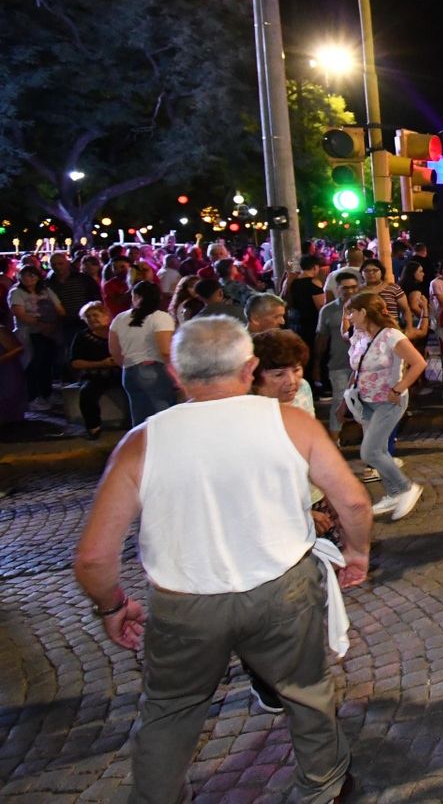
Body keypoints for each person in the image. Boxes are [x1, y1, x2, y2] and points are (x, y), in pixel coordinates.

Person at [73, 316, 371, 804]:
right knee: (305, 691)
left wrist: (111, 605)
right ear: (250, 367)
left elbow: (92, 558)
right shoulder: (291, 423)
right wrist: (357, 552)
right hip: (282, 588)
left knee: (170, 711)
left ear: (176, 373)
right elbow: (354, 503)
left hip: (184, 602)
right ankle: (324, 787)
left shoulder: (142, 443)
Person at [344, 291, 427, 521]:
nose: (349, 316)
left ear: (363, 312)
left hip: (388, 401)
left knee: (369, 451)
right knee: (378, 450)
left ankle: (406, 487)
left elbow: (418, 363)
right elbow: (357, 368)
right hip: (366, 400)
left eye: (352, 311)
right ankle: (392, 493)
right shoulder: (360, 336)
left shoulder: (391, 335)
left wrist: (399, 388)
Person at [108, 281, 177, 426]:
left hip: (128, 371)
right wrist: (175, 372)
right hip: (154, 369)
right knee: (163, 416)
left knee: (139, 417)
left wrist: (126, 364)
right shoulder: (161, 317)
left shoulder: (120, 318)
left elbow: (114, 350)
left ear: (136, 297)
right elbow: (165, 350)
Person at [8, 264, 64, 409]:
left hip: (49, 332)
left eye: (33, 275)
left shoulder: (46, 291)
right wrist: (43, 325)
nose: (29, 278)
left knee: (47, 363)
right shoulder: (16, 293)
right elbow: (20, 315)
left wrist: (54, 323)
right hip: (30, 333)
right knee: (33, 364)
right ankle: (33, 397)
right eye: (25, 275)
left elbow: (59, 308)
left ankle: (47, 393)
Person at [313, 271, 360, 439]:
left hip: (364, 365)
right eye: (345, 288)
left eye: (354, 287)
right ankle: (334, 441)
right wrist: (317, 365)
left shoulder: (365, 307)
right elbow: (321, 339)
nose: (350, 291)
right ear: (338, 289)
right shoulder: (328, 310)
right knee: (339, 400)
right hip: (338, 363)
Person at [70, 302, 121, 439]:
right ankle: (93, 428)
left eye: (95, 315)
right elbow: (75, 363)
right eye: (88, 316)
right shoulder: (82, 337)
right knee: (87, 394)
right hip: (95, 375)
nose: (92, 319)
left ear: (106, 316)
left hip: (121, 372)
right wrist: (101, 363)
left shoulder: (117, 333)